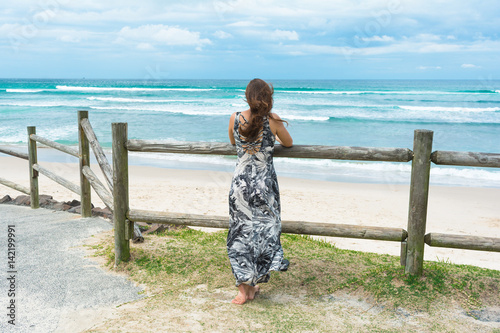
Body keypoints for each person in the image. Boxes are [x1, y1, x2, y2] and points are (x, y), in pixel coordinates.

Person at [227, 78, 293, 305]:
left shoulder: (236, 118)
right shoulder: (272, 120)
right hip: (265, 185)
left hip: (240, 185)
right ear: (268, 97)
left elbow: (233, 142)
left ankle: (245, 289)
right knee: (266, 232)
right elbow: (288, 143)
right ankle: (253, 283)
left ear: (247, 96)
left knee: (240, 233)